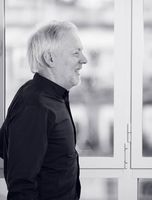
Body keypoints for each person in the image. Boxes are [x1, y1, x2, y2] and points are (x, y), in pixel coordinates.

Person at [0, 20, 87, 199]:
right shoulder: (34, 105)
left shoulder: (51, 98)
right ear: (50, 58)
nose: (83, 60)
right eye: (75, 53)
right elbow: (22, 185)